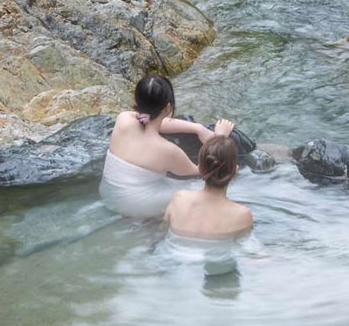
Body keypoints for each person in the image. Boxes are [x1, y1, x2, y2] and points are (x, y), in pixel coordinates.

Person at [101, 74, 232, 220]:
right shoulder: (167, 151)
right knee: (205, 188)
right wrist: (221, 137)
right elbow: (205, 170)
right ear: (168, 107)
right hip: (137, 205)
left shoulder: (123, 119)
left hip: (109, 195)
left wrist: (198, 128)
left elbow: (154, 122)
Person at [163, 134, 254, 242]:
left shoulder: (179, 198)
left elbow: (162, 230)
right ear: (235, 171)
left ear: (200, 168)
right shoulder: (242, 214)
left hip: (171, 254)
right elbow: (248, 248)